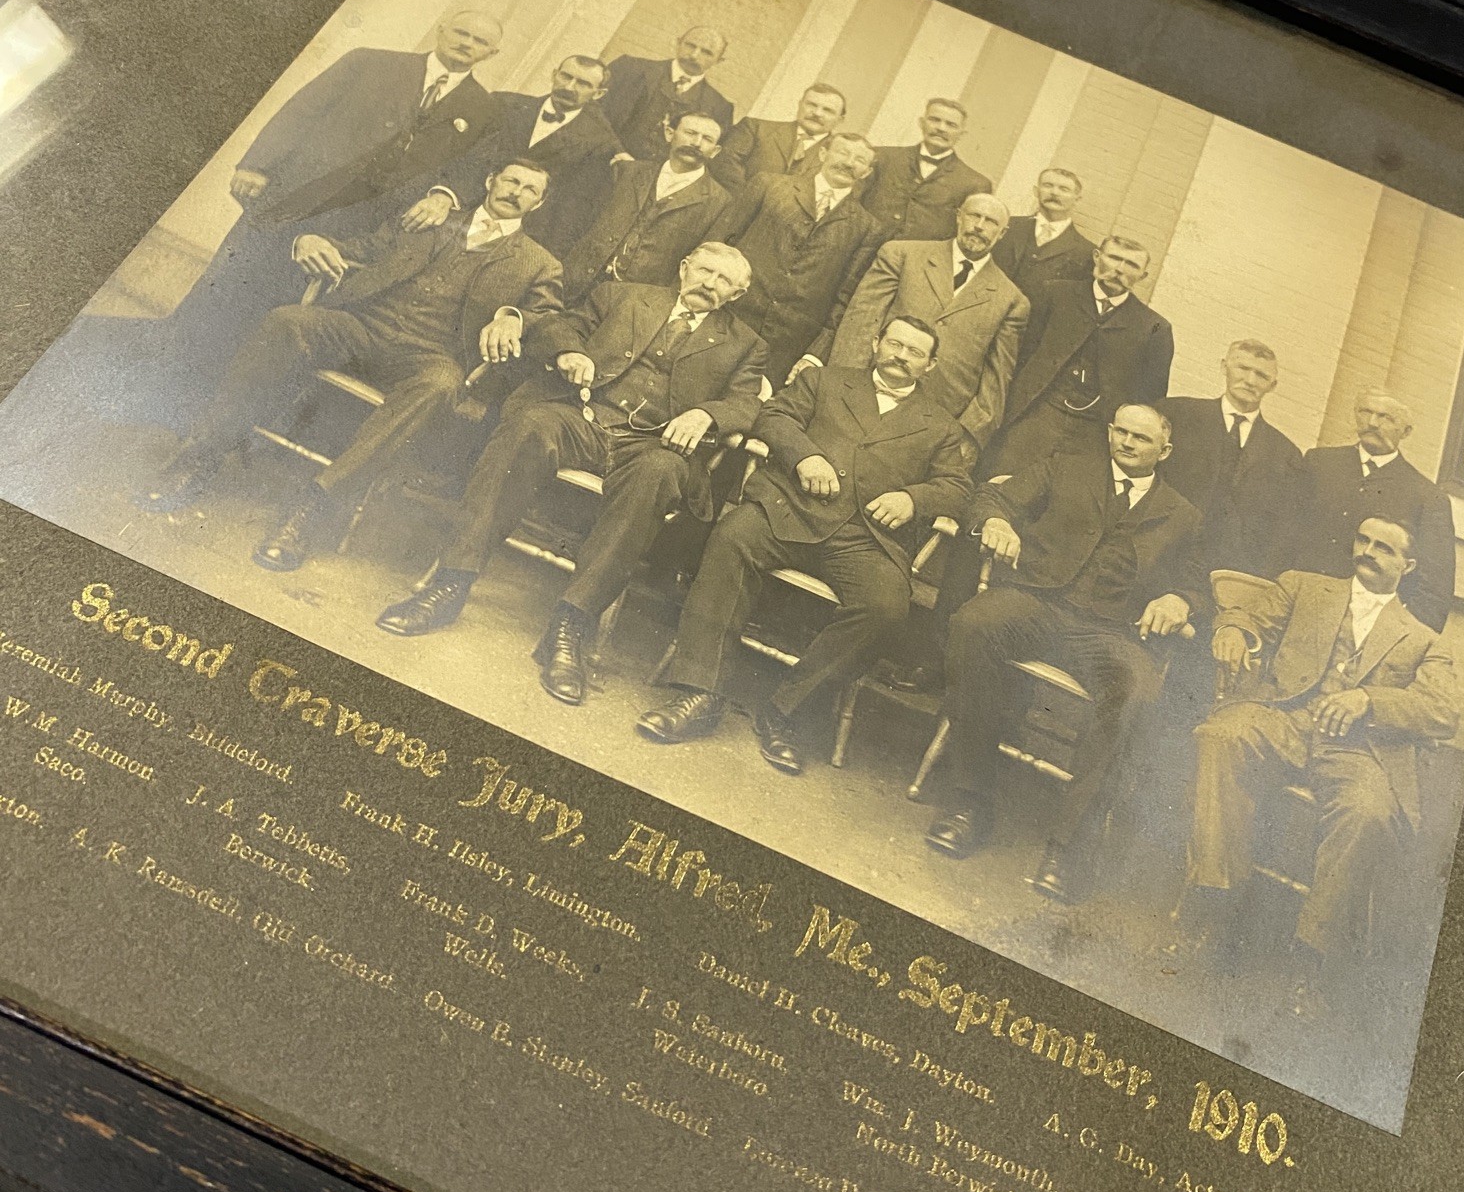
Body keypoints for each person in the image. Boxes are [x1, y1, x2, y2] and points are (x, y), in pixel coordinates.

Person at [375, 244, 767, 706]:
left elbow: (749, 403)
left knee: (660, 475)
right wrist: (567, 352)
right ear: (684, 268)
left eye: (725, 282)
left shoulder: (747, 345)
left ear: (737, 294)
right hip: (582, 415)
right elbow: (560, 325)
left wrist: (707, 414)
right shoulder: (622, 296)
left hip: (653, 443)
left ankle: (570, 625)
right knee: (528, 427)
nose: (710, 285)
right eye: (705, 271)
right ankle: (452, 581)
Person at [136, 160, 563, 571]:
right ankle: (203, 455)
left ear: (540, 205)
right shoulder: (431, 218)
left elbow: (546, 318)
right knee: (287, 323)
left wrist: (515, 317)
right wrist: (312, 241)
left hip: (430, 356)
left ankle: (315, 509)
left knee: (439, 387)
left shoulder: (538, 263)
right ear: (491, 180)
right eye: (511, 180)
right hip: (362, 326)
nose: (517, 192)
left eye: (530, 190)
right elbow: (364, 249)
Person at [636, 317, 971, 773]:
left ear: (930, 365)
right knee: (732, 537)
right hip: (788, 509)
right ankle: (700, 692)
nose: (901, 355)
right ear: (875, 343)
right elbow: (773, 416)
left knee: (887, 607)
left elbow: (957, 488)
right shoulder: (824, 380)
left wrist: (913, 498)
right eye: (894, 343)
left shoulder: (942, 427)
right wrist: (806, 455)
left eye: (915, 352)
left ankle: (786, 712)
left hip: (865, 538)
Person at [924, 405, 1205, 903]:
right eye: (1120, 431)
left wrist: (1179, 599)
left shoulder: (1183, 514)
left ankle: (1067, 846)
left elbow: (1199, 582)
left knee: (1137, 692)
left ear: (1165, 451)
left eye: (1141, 438)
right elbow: (991, 494)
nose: (1126, 443)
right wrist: (997, 522)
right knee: (973, 625)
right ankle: (971, 801)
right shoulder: (1066, 465)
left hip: (1112, 632)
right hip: (1037, 601)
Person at [158, 11, 506, 402]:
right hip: (298, 197)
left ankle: (220, 396)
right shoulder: (370, 62)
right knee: (231, 281)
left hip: (363, 227)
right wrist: (258, 164)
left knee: (289, 306)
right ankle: (165, 372)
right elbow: (302, 109)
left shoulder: (485, 110)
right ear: (442, 29)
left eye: (479, 41)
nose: (466, 43)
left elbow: (476, 166)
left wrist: (443, 196)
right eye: (461, 32)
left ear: (491, 53)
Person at [1181, 516, 1458, 1008]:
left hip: (1356, 748)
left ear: (1408, 565)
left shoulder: (1422, 639)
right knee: (1221, 736)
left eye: (1384, 549)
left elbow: (1442, 712)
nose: (1368, 552)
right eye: (1363, 540)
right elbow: (1248, 616)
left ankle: (1310, 954)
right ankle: (1217, 902)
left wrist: (1370, 700)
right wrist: (1233, 631)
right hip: (1285, 717)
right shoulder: (1303, 587)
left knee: (1367, 812)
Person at [795, 193, 1029, 460]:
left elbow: (996, 380)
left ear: (1002, 233)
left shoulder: (1011, 300)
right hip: (868, 393)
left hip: (932, 419)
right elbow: (860, 323)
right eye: (974, 215)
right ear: (959, 216)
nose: (979, 226)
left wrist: (969, 435)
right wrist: (843, 391)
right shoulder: (903, 254)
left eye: (990, 221)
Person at [982, 234, 1173, 477]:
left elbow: (1149, 397)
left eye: (1131, 265)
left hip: (1094, 433)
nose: (1119, 269)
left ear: (1142, 276)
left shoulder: (1153, 328)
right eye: (1114, 258)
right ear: (1097, 257)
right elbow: (1020, 355)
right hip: (1037, 414)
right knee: (1000, 479)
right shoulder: (1055, 294)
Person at [405, 53, 621, 254]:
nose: (569, 86)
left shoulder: (599, 144)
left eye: (583, 84)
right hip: (458, 211)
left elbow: (570, 209)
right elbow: (466, 158)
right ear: (554, 74)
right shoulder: (504, 104)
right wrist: (445, 195)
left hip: (515, 238)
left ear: (599, 94)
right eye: (566, 76)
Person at [717, 132, 884, 386]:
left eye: (860, 160)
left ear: (866, 172)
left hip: (785, 345)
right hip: (728, 314)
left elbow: (845, 297)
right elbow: (719, 244)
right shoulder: (769, 186)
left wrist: (815, 354)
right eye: (843, 152)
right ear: (823, 154)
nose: (849, 163)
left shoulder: (867, 227)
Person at [1291, 390, 1457, 632]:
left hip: (1361, 626)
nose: (1372, 423)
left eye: (1386, 418)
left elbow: (1434, 590)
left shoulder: (1427, 497)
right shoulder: (1319, 463)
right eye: (1365, 412)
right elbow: (1282, 536)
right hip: (1297, 602)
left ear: (1406, 432)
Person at [1160, 340, 1303, 578]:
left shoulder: (1286, 454)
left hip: (1226, 571)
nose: (1249, 380)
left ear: (1272, 385)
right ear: (1224, 367)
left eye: (1261, 375)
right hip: (1162, 551)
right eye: (1242, 368)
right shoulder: (1178, 415)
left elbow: (1281, 530)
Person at [558, 113, 731, 300]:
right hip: (575, 282)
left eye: (707, 139)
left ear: (715, 151)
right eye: (690, 132)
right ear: (669, 133)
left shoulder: (720, 202)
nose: (697, 143)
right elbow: (580, 223)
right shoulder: (628, 172)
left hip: (635, 300)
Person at [861, 98, 992, 242]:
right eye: (934, 120)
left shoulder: (975, 184)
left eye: (951, 125)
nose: (941, 128)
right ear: (921, 123)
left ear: (961, 134)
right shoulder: (882, 157)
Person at [601, 26, 735, 163]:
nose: (694, 55)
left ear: (719, 60)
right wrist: (617, 151)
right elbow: (591, 113)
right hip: (601, 158)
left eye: (707, 52)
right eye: (690, 45)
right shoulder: (629, 68)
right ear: (678, 43)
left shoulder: (720, 108)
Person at [991, 167, 1097, 306]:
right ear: (1036, 191)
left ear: (1077, 199)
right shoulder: (1006, 225)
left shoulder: (1085, 252)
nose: (1054, 192)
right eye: (1048, 185)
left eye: (1064, 189)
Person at [710, 84, 846, 191]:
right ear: (800, 105)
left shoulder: (840, 158)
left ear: (840, 120)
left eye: (827, 110)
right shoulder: (755, 128)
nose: (817, 113)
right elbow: (725, 164)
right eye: (811, 105)